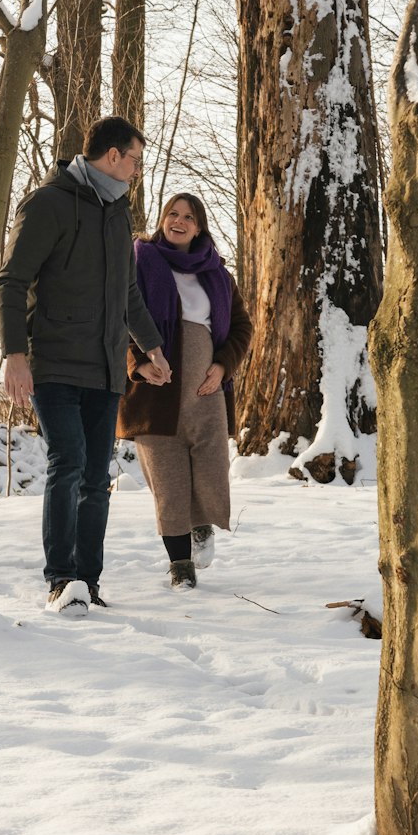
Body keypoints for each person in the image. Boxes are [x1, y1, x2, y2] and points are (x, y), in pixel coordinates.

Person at [0, 117, 171, 614]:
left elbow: (128, 293)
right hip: (54, 364)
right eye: (135, 160)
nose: (137, 171)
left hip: (107, 367)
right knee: (68, 463)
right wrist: (15, 355)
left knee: (97, 478)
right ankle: (61, 580)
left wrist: (152, 349)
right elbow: (10, 282)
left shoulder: (117, 212)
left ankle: (88, 584)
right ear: (113, 156)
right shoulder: (48, 203)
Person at [117, 193, 252, 588]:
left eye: (188, 217)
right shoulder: (137, 263)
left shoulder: (218, 274)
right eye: (172, 214)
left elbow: (243, 327)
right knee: (168, 482)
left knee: (210, 472)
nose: (179, 221)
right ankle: (180, 567)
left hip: (206, 390)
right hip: (154, 394)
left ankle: (202, 526)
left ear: (199, 226)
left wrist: (224, 364)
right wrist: (137, 364)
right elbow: (115, 322)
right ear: (162, 219)